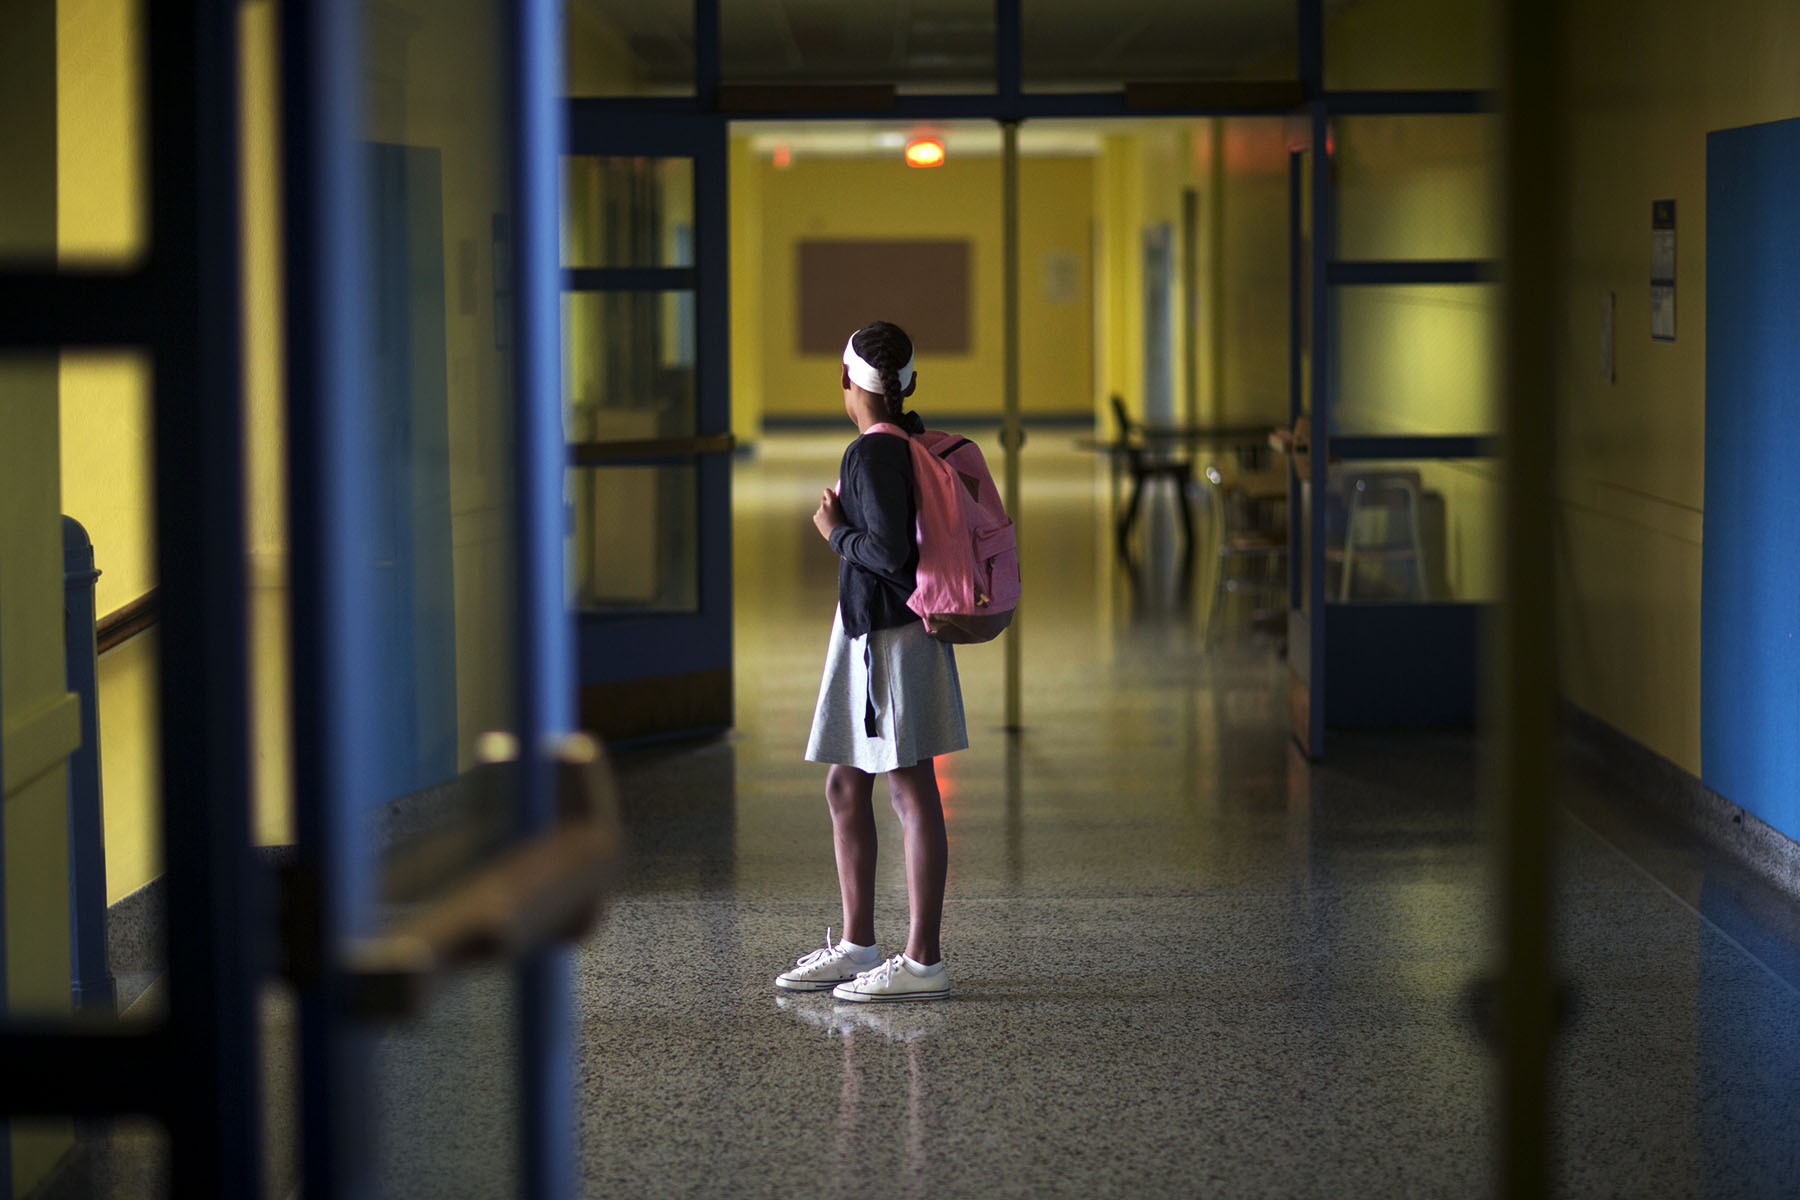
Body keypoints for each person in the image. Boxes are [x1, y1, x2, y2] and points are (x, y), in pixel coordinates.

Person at [775, 321, 967, 1003]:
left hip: (888, 637)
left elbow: (891, 558)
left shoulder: (871, 455)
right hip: (876, 636)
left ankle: (923, 962)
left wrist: (835, 533)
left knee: (910, 790)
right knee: (846, 785)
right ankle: (858, 945)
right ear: (908, 384)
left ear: (845, 381)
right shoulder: (904, 445)